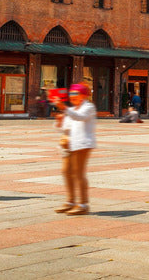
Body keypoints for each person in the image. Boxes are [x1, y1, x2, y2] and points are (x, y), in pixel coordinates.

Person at [55, 83, 97, 215]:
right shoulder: (72, 109)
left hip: (82, 144)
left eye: (75, 94)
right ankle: (70, 201)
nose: (72, 97)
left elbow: (80, 117)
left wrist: (64, 108)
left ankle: (83, 204)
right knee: (66, 171)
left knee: (78, 173)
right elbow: (65, 127)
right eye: (71, 94)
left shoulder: (88, 107)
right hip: (69, 145)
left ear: (83, 95)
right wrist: (60, 121)